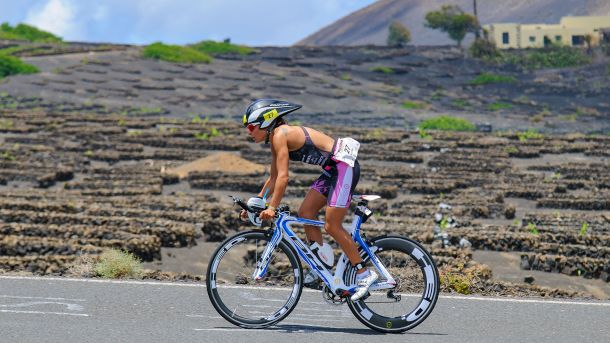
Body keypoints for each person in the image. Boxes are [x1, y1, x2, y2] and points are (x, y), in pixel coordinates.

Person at [240, 99, 377, 301]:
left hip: (344, 167)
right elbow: (274, 176)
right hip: (333, 170)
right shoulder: (276, 137)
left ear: (266, 122)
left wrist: (272, 207)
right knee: (305, 213)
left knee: (332, 225)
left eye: (251, 127)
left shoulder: (280, 134)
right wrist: (258, 201)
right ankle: (322, 265)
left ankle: (364, 273)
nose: (248, 132)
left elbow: (284, 178)